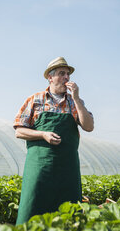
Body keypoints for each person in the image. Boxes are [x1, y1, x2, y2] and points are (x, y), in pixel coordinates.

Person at [13, 56, 94, 225]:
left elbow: (88, 126)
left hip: (67, 170)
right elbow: (19, 131)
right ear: (50, 77)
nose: (66, 78)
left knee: (68, 214)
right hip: (39, 168)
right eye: (62, 73)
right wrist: (42, 134)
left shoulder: (74, 102)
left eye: (68, 75)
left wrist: (77, 99)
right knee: (33, 207)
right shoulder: (35, 99)